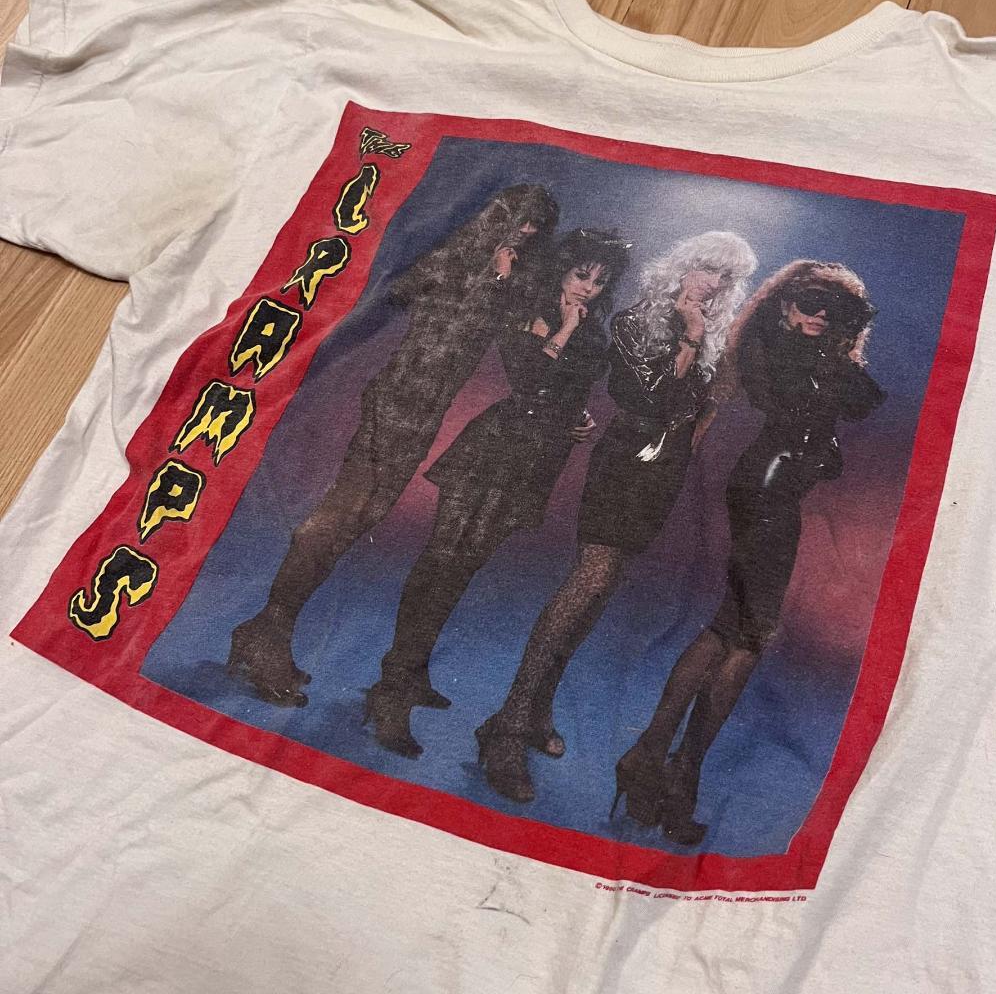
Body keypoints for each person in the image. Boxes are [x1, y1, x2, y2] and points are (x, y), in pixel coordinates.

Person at [227, 185, 559, 707]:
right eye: (520, 221)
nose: (526, 233)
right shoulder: (459, 257)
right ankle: (267, 631)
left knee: (356, 520)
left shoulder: (508, 274)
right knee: (340, 516)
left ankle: (265, 629)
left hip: (424, 413)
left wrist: (518, 296)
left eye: (536, 227)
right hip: (396, 400)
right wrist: (493, 279)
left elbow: (508, 339)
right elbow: (416, 303)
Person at [475, 232, 758, 803]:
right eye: (707, 269)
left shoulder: (715, 337)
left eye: (726, 278)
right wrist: (690, 336)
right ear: (682, 266)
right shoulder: (636, 320)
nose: (713, 285)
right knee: (591, 578)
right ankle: (506, 724)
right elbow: (653, 397)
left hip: (664, 469)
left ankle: (536, 710)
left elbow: (701, 408)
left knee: (602, 591)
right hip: (625, 459)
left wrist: (691, 422)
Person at [615, 259, 886, 846]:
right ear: (784, 303)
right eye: (808, 302)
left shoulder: (817, 351)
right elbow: (793, 397)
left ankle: (654, 759)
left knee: (735, 631)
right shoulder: (774, 344)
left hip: (775, 493)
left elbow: (866, 400)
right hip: (763, 492)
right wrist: (828, 346)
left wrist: (840, 336)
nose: (818, 316)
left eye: (833, 309)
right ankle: (673, 768)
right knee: (746, 633)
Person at [365, 228, 632, 757]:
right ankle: (391, 687)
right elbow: (529, 379)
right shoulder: (531, 311)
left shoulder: (592, 331)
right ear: (562, 270)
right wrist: (565, 329)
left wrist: (577, 417)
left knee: (465, 567)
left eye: (600, 282)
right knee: (442, 560)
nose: (588, 289)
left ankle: (410, 673)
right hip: (495, 448)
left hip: (537, 460)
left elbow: (566, 389)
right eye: (581, 274)